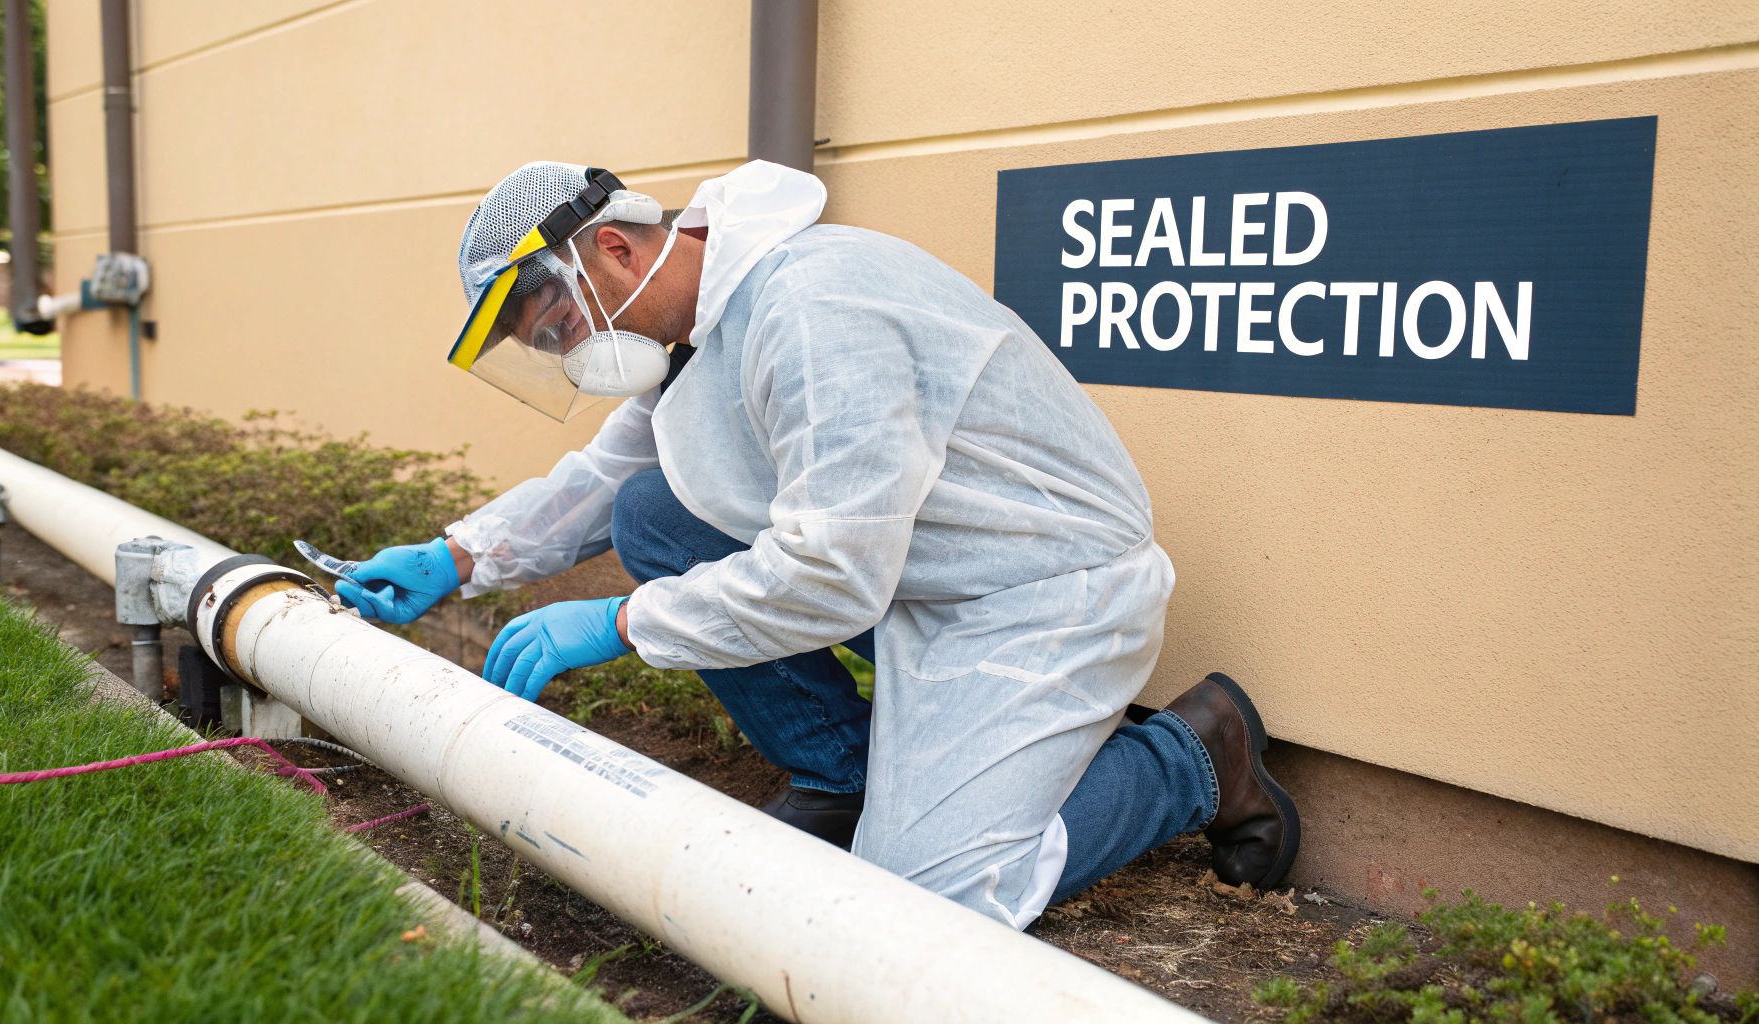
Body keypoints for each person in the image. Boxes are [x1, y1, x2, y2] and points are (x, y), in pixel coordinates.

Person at [337, 159, 1299, 929]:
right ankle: (845, 776)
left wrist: (627, 620)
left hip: (1036, 596)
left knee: (925, 905)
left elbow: (832, 575)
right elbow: (601, 482)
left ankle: (1191, 757)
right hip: (920, 583)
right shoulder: (698, 335)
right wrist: (456, 557)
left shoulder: (811, 312)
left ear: (618, 252)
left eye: (559, 327)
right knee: (652, 512)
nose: (570, 356)